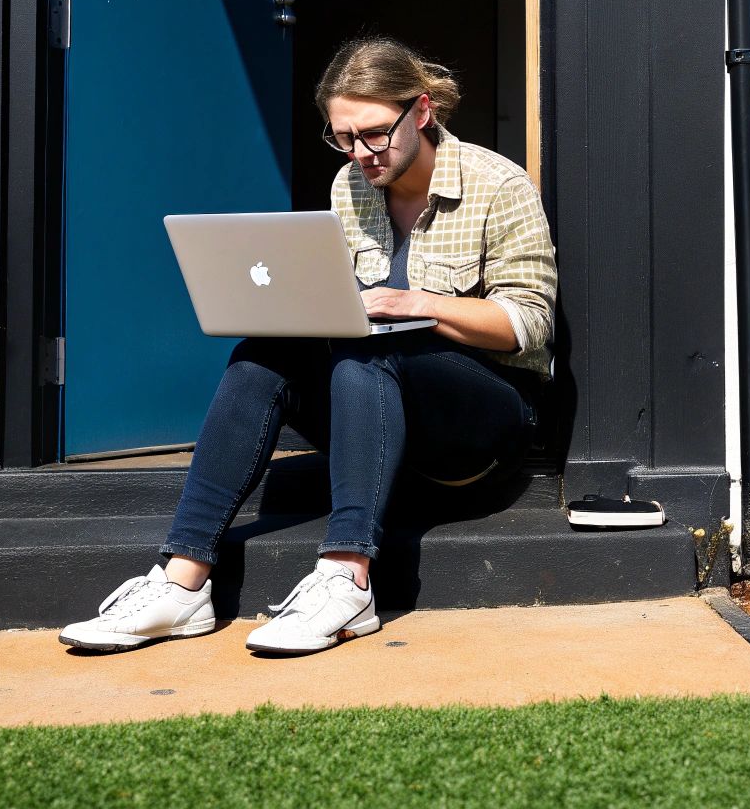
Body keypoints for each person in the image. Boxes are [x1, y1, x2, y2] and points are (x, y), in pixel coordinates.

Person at [59, 37, 557, 655]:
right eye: (343, 137)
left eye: (375, 133)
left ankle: (347, 579)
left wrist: (418, 303)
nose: (361, 153)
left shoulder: (498, 184)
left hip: (484, 428)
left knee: (370, 352)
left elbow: (528, 325)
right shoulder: (350, 185)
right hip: (384, 417)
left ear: (422, 111)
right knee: (261, 357)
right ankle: (183, 582)